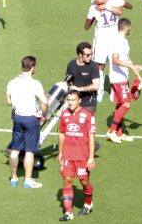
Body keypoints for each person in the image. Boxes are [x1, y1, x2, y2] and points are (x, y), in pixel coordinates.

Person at [6, 55, 47, 189]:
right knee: (29, 151)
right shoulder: (35, 83)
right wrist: (43, 115)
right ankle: (28, 180)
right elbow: (44, 102)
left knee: (15, 150)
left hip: (17, 117)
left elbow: (8, 102)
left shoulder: (12, 82)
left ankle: (13, 178)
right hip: (30, 119)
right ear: (33, 68)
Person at [84, 0, 128, 102]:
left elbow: (86, 26)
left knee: (100, 65)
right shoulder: (112, 2)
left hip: (101, 41)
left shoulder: (93, 7)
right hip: (114, 39)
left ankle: (99, 92)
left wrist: (93, 18)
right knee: (115, 64)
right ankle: (114, 92)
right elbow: (122, 10)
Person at [106, 18, 142, 144]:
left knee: (119, 104)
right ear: (126, 28)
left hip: (122, 77)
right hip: (118, 78)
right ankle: (111, 131)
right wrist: (131, 67)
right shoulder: (118, 41)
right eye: (130, 27)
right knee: (126, 104)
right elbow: (115, 60)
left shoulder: (123, 41)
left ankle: (120, 133)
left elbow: (126, 59)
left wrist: (137, 74)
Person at [58, 89, 96, 220]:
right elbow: (62, 133)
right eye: (68, 100)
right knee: (67, 180)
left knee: (84, 181)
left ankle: (88, 203)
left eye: (73, 100)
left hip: (82, 156)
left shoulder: (88, 115)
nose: (70, 102)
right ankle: (68, 212)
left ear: (79, 100)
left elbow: (91, 136)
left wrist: (91, 157)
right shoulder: (64, 114)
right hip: (68, 155)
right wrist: (60, 152)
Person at [64, 42, 101, 113]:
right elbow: (68, 81)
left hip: (89, 103)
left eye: (91, 54)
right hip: (74, 101)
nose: (90, 57)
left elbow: (96, 86)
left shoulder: (93, 66)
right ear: (80, 54)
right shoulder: (71, 64)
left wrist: (79, 89)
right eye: (87, 55)